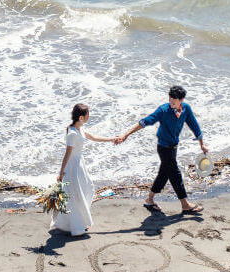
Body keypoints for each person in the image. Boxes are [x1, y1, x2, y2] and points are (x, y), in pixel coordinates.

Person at [117, 85, 208, 215]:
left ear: (181, 100)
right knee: (175, 174)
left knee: (164, 174)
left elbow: (194, 125)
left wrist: (202, 144)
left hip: (174, 147)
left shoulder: (186, 109)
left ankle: (149, 200)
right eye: (170, 98)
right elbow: (145, 121)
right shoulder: (163, 110)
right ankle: (185, 205)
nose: (171, 101)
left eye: (174, 99)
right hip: (164, 148)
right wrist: (126, 134)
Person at [50, 103, 117, 237]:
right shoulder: (73, 133)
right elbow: (67, 153)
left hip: (80, 165)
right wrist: (61, 172)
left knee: (87, 189)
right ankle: (78, 224)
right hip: (73, 167)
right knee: (77, 194)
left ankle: (80, 220)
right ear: (81, 117)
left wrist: (112, 139)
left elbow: (94, 137)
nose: (89, 116)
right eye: (87, 114)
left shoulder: (78, 129)